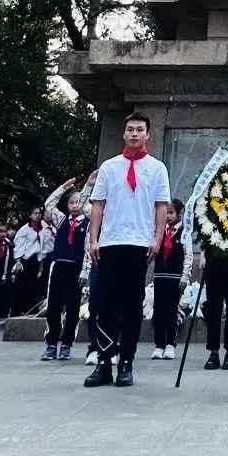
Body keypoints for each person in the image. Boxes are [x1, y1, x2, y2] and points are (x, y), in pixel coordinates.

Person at [85, 112, 170, 389]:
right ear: (124, 134)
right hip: (110, 242)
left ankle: (126, 362)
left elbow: (161, 206)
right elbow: (97, 204)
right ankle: (104, 361)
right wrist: (93, 239)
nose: (134, 134)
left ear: (148, 135)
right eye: (130, 129)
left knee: (132, 306)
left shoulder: (157, 168)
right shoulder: (109, 167)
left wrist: (157, 239)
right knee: (104, 304)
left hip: (139, 244)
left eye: (139, 130)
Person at [42, 178, 91, 362]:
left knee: (72, 309)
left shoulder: (87, 224)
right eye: (71, 202)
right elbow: (49, 204)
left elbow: (88, 249)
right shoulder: (61, 220)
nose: (74, 206)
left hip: (76, 268)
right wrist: (63, 188)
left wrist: (85, 271)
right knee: (53, 306)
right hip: (59, 265)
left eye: (78, 202)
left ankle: (67, 344)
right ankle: (51, 343)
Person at [151, 198, 192, 361]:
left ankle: (170, 343)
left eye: (171, 213)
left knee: (171, 310)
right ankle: (159, 344)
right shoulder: (159, 230)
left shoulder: (184, 231)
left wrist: (186, 275)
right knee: (158, 311)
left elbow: (188, 254)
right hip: (160, 275)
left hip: (175, 276)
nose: (167, 216)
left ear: (179, 213)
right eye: (165, 213)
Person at [199, 243, 228, 371]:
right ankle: (213, 351)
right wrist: (203, 254)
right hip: (214, 259)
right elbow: (204, 230)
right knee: (213, 308)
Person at [13, 205, 48, 314]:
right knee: (23, 287)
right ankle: (18, 311)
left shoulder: (42, 229)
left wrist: (41, 266)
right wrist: (18, 262)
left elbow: (42, 247)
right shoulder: (25, 229)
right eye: (35, 213)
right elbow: (19, 246)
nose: (38, 216)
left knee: (34, 287)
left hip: (36, 261)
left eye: (39, 213)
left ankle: (31, 310)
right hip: (26, 260)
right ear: (30, 215)